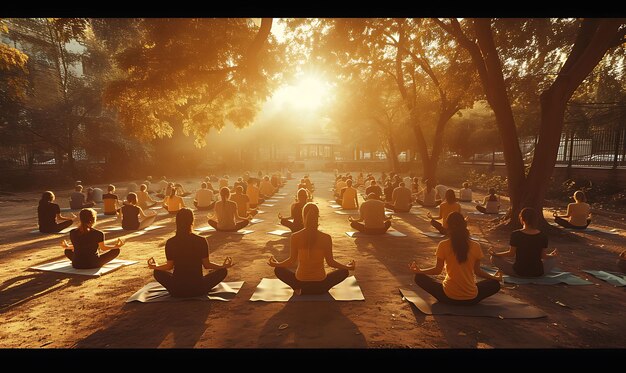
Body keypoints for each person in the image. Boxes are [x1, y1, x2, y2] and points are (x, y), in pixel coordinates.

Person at [409, 211, 502, 305]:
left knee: (419, 278)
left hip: (447, 296)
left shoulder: (443, 245)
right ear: (464, 225)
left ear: (448, 226)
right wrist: (494, 277)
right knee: (495, 284)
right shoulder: (476, 246)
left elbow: (437, 270)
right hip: (471, 299)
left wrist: (420, 271)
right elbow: (478, 272)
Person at [268, 203, 356, 295]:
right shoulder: (326, 237)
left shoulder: (295, 236)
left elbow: (291, 261)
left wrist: (277, 264)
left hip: (300, 282)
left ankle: (300, 288)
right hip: (321, 284)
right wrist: (347, 267)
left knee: (278, 270)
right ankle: (317, 289)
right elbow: (331, 262)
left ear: (303, 217)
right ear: (317, 217)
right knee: (344, 272)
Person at [148, 208, 234, 298]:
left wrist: (155, 266)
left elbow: (169, 266)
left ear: (177, 222)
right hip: (198, 289)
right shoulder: (201, 240)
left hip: (177, 290)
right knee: (222, 271)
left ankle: (179, 288)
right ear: (192, 221)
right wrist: (222, 266)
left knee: (157, 272)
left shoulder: (171, 242)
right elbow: (207, 265)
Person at [489, 207, 558, 277]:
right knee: (553, 259)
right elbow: (543, 256)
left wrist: (496, 254)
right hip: (538, 272)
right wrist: (552, 255)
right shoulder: (543, 235)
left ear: (521, 219)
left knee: (493, 258)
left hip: (519, 272)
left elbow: (511, 254)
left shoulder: (516, 234)